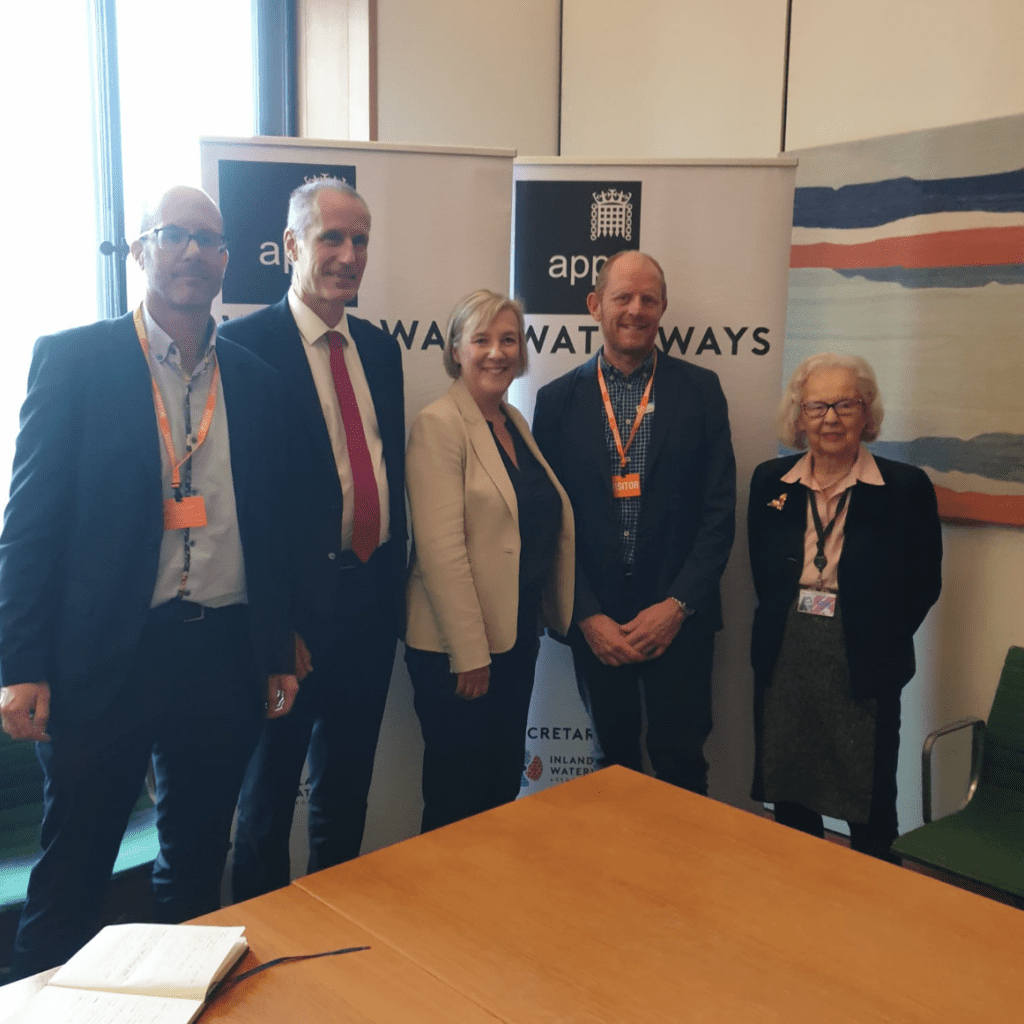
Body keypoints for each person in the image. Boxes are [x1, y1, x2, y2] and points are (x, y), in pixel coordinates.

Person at [0, 186, 298, 978]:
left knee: (197, 868)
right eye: (174, 236)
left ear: (230, 259)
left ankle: (178, 1001)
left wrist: (276, 649)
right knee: (72, 873)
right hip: (105, 660)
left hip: (223, 656)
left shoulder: (256, 381)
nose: (194, 253)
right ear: (140, 252)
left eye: (210, 240)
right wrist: (20, 665)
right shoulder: (74, 362)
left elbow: (270, 532)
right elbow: (29, 528)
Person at [220, 177, 406, 899]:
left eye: (360, 240)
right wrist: (276, 629)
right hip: (291, 621)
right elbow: (245, 504)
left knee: (345, 789)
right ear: (293, 245)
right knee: (265, 801)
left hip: (368, 604)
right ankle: (261, 942)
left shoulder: (380, 349)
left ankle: (335, 928)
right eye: (332, 237)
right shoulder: (243, 348)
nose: (348, 255)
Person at [532, 251, 735, 796]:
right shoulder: (554, 403)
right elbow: (546, 524)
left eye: (649, 298)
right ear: (596, 305)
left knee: (682, 760)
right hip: (598, 622)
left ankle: (680, 880)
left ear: (664, 307)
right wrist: (586, 615)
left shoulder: (702, 391)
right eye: (623, 297)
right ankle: (617, 878)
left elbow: (719, 512)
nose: (636, 309)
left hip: (678, 617)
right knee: (611, 762)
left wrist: (676, 608)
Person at [748, 352, 942, 860]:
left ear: (867, 412)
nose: (830, 418)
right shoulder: (770, 482)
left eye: (845, 405)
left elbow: (925, 582)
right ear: (799, 414)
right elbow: (765, 575)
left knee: (870, 803)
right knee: (790, 792)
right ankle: (801, 902)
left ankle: (873, 917)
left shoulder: (905, 489)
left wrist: (881, 634)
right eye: (816, 407)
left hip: (865, 659)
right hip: (786, 654)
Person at [405, 290, 574, 831]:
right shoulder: (440, 424)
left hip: (516, 636)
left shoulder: (512, 421)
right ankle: (441, 912)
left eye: (508, 339)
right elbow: (440, 551)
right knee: (457, 800)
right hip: (460, 650)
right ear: (456, 349)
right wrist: (470, 655)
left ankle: (484, 909)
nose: (497, 353)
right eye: (481, 340)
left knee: (499, 790)